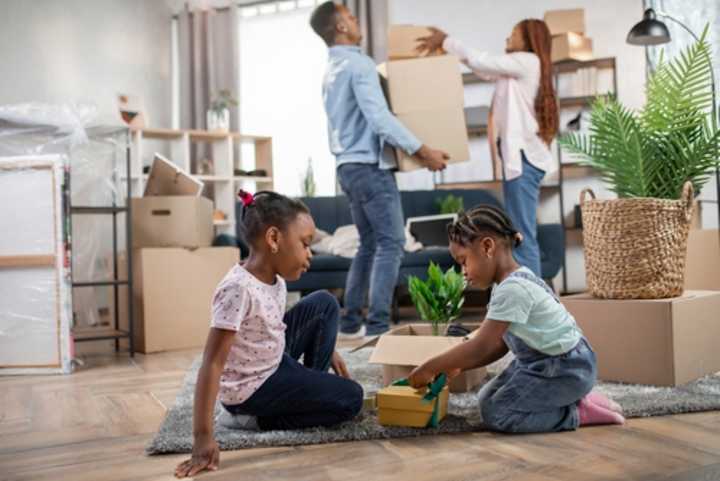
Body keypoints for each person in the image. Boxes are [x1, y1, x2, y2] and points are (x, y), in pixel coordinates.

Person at [174, 191, 362, 479]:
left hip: (272, 361)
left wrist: (326, 343)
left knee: (324, 303)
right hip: (252, 389)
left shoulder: (273, 278)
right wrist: (202, 436)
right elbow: (211, 363)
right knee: (351, 398)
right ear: (274, 239)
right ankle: (254, 420)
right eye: (305, 243)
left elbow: (273, 327)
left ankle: (310, 389)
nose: (309, 253)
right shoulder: (238, 289)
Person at [408, 205, 625, 434]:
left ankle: (575, 411)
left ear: (487, 247)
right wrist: (459, 364)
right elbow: (499, 345)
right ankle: (569, 398)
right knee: (486, 398)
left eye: (464, 261)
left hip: (565, 368)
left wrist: (430, 367)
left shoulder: (513, 290)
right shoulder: (510, 282)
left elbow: (482, 345)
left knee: (499, 413)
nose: (463, 271)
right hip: (541, 363)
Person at [310, 1, 450, 337]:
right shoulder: (359, 65)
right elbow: (380, 119)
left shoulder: (331, 71)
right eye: (350, 16)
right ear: (341, 27)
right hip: (369, 168)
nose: (356, 20)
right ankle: (377, 327)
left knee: (370, 245)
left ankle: (349, 323)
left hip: (346, 167)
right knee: (391, 244)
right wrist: (423, 151)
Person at [418, 20, 559, 278]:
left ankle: (536, 304)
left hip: (525, 162)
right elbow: (482, 68)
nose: (508, 37)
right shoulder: (512, 72)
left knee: (522, 235)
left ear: (528, 40)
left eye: (514, 34)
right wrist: (449, 50)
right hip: (520, 162)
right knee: (520, 232)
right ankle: (534, 301)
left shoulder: (527, 60)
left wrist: (446, 40)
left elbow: (482, 61)